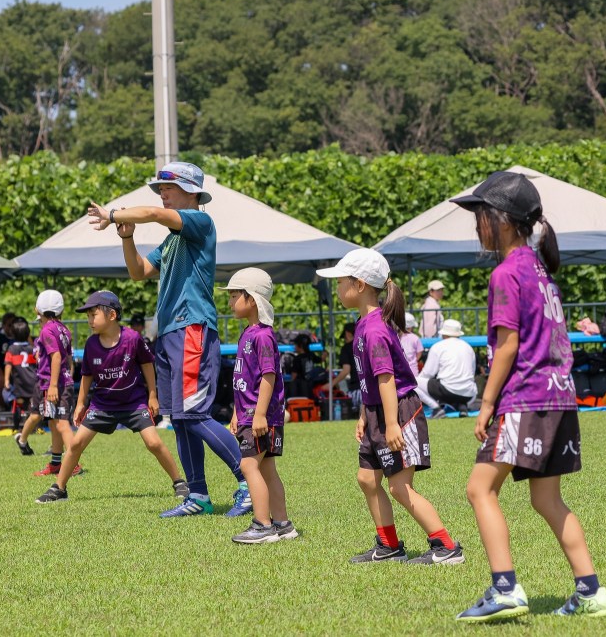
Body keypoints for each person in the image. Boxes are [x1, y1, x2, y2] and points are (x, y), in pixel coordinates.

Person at [451, 171, 606, 622]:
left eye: (480, 215)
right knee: (547, 500)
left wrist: (486, 404)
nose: (476, 226)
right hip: (561, 399)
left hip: (526, 398)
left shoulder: (507, 272)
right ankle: (590, 592)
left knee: (479, 489)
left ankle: (504, 588)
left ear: (501, 220)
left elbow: (507, 345)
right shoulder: (540, 270)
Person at [87, 161, 249, 519]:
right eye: (161, 188)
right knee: (179, 418)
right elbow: (139, 272)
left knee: (194, 413)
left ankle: (248, 482)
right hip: (171, 333)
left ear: (192, 191)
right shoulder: (174, 239)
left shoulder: (199, 222)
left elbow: (154, 214)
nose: (162, 194)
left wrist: (113, 213)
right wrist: (127, 237)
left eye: (169, 187)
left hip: (192, 327)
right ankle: (198, 496)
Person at [317, 248, 464, 565]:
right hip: (376, 412)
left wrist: (392, 424)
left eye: (341, 281)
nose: (337, 288)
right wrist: (363, 416)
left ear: (358, 285)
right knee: (367, 479)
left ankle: (446, 547)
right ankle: (389, 545)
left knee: (399, 486)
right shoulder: (363, 324)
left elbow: (386, 379)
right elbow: (369, 379)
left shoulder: (375, 329)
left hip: (396, 411)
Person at [36, 290, 188, 504]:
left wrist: (153, 396)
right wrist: (80, 404)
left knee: (154, 443)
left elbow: (147, 365)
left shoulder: (132, 339)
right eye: (87, 316)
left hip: (134, 403)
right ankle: (59, 488)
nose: (89, 320)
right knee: (76, 443)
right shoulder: (91, 344)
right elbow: (87, 376)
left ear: (112, 315)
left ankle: (179, 482)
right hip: (102, 405)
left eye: (93, 315)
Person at [221, 269, 298, 543]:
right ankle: (283, 524)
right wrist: (235, 412)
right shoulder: (248, 333)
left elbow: (269, 375)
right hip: (249, 414)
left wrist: (260, 414)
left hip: (260, 416)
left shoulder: (263, 336)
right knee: (267, 469)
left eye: (233, 296)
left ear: (251, 299)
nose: (230, 303)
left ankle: (262, 525)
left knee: (248, 466)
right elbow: (244, 379)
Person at [29, 290, 83, 478]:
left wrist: (53, 385)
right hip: (60, 382)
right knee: (53, 424)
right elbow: (68, 358)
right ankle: (56, 464)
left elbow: (57, 356)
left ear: (38, 309)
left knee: (61, 424)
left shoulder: (46, 330)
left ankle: (73, 462)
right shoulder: (63, 329)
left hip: (54, 384)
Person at [415, 319, 478, 419]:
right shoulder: (468, 347)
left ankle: (436, 409)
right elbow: (472, 372)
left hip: (447, 390)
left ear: (443, 334)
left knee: (413, 382)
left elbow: (428, 373)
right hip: (470, 394)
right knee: (452, 385)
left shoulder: (438, 346)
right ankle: (462, 406)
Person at [6, 318, 41, 453]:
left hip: (20, 383)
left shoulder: (12, 348)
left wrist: (6, 381)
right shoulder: (31, 348)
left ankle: (17, 427)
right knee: (33, 408)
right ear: (28, 334)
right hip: (33, 382)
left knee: (19, 405)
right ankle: (35, 428)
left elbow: (8, 365)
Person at [326, 322, 361, 412]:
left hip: (356, 390)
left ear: (347, 334)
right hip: (370, 388)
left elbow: (346, 371)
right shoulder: (364, 344)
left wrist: (331, 384)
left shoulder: (346, 348)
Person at [0, 313, 17, 402]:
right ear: (3, 325)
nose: (11, 328)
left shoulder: (18, 335)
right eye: (9, 325)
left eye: (13, 325)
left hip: (15, 371)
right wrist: (1, 375)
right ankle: (1, 407)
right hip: (0, 371)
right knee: (0, 382)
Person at [400, 312, 424, 378]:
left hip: (400, 370)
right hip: (413, 370)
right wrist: (415, 360)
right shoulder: (415, 338)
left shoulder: (396, 337)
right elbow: (420, 351)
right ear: (411, 327)